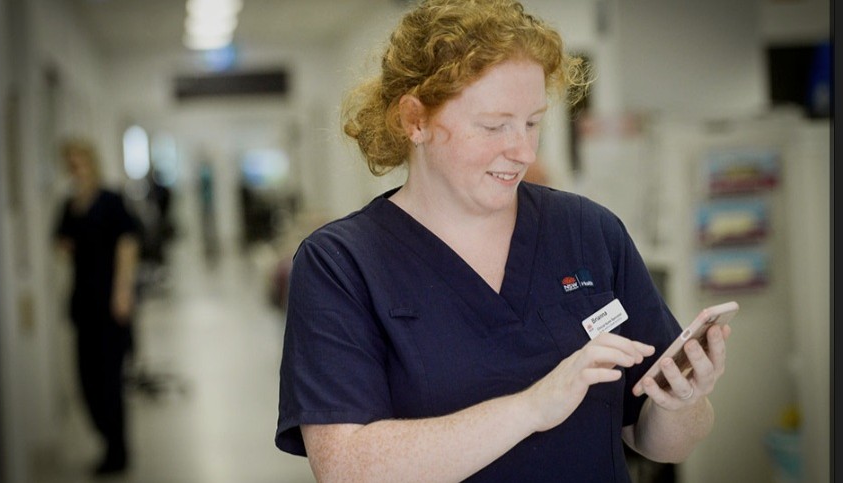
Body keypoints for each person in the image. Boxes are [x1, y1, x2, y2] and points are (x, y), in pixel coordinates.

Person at [275, 1, 731, 481]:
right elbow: (346, 469)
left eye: (533, 122)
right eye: (494, 126)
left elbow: (657, 442)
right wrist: (532, 407)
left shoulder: (588, 231)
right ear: (416, 120)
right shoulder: (342, 265)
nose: (522, 151)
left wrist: (685, 400)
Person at [54, 137, 140, 475]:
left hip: (110, 303)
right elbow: (60, 244)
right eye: (70, 164)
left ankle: (117, 451)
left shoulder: (110, 200)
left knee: (110, 380)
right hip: (82, 304)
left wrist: (122, 291)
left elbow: (128, 244)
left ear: (91, 162)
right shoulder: (69, 204)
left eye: (80, 162)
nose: (75, 169)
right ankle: (105, 438)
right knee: (86, 381)